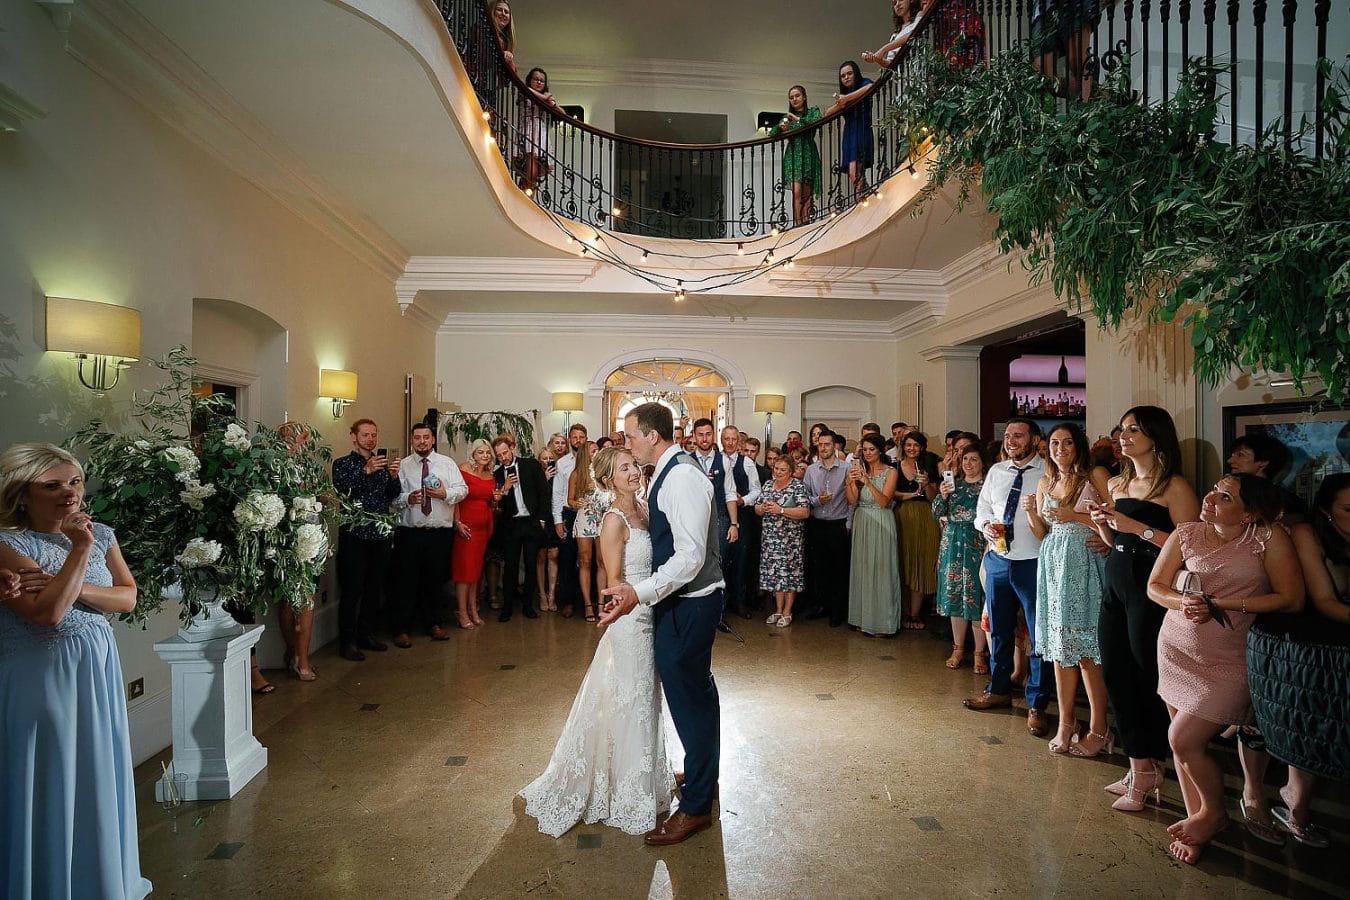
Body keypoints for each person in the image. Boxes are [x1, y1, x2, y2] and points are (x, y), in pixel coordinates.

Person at [0, 443, 152, 899]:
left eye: (75, 482)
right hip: (40, 673)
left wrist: (72, 584)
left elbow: (128, 597)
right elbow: (46, 615)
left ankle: (98, 881)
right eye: (53, 486)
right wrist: (80, 549)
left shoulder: (101, 532)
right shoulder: (8, 544)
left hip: (95, 666)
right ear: (22, 494)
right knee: (47, 776)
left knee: (94, 770)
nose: (70, 494)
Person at [1147, 474, 1304, 865]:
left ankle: (1214, 812)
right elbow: (1155, 586)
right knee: (1181, 746)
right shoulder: (1186, 533)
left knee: (1183, 740)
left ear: (1248, 512)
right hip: (1177, 649)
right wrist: (1182, 602)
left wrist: (1226, 604)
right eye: (1215, 490)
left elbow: (1291, 599)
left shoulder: (1267, 538)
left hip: (1230, 658)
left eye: (1225, 496)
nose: (1211, 498)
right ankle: (1196, 818)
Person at [520, 447, 675, 837]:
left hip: (651, 611)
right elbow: (613, 582)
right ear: (608, 480)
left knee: (643, 699)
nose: (634, 472)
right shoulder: (613, 520)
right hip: (631, 620)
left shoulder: (644, 508)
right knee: (631, 697)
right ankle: (625, 791)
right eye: (625, 469)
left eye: (635, 465)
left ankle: (641, 779)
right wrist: (626, 613)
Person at [600, 402, 723, 846]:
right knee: (693, 695)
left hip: (690, 603)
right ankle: (701, 773)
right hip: (677, 602)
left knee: (690, 699)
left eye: (630, 435)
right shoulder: (668, 474)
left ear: (652, 435)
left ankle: (695, 808)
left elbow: (690, 557)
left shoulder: (683, 477)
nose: (626, 443)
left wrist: (639, 592)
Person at [1088, 406, 1200, 812]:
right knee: (1115, 672)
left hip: (1151, 586)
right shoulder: (1118, 482)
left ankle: (1168, 764)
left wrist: (1135, 527)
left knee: (1149, 675)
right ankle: (1140, 765)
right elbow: (1111, 536)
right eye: (1122, 429)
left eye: (1134, 429)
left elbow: (1188, 547)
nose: (1125, 435)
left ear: (1155, 436)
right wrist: (1103, 522)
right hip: (1115, 579)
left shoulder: (1175, 487)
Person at [1025, 424, 1112, 755]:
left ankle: (1100, 728)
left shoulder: (1096, 475)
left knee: (1088, 650)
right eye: (1055, 443)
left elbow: (1114, 519)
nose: (1060, 448)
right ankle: (1065, 722)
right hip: (1054, 562)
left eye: (1067, 442)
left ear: (1079, 446)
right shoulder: (1046, 480)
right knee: (1061, 649)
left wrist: (1076, 516)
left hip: (1085, 561)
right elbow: (1041, 532)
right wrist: (1033, 513)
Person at [965, 418, 1051, 737]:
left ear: (1034, 439)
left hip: (1034, 560)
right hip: (998, 557)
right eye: (1008, 435)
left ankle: (1037, 704)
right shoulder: (997, 471)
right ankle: (998, 688)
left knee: (1037, 634)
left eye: (1019, 435)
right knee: (999, 629)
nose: (1011, 440)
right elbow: (982, 509)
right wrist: (985, 525)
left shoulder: (1047, 472)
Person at [391, 423, 468, 647]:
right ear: (412, 441)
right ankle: (401, 628)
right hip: (410, 532)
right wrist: (408, 499)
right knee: (405, 582)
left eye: (426, 437)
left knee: (435, 581)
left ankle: (434, 623)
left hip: (439, 533)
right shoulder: (404, 466)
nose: (422, 441)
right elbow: (393, 498)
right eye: (417, 438)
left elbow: (463, 490)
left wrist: (445, 493)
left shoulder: (447, 464)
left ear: (433, 440)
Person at [332, 418, 401, 661]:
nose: (370, 439)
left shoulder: (381, 464)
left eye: (373, 435)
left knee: (375, 587)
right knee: (352, 590)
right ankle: (347, 641)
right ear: (354, 437)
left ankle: (366, 634)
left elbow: (392, 496)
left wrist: (393, 477)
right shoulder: (342, 464)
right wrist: (365, 471)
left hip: (380, 534)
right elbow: (344, 491)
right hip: (355, 534)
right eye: (365, 435)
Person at [277, 421, 325, 680]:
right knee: (287, 599)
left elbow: (320, 496)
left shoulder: (310, 467)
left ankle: (302, 658)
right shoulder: (274, 467)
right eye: (294, 438)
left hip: (312, 536)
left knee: (307, 597)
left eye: (302, 438)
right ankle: (294, 653)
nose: (299, 443)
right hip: (286, 540)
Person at [935, 444, 988, 670]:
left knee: (976, 597)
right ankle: (958, 649)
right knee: (954, 594)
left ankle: (979, 652)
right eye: (965, 459)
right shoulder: (952, 485)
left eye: (974, 459)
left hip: (977, 543)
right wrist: (943, 494)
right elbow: (936, 512)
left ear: (983, 462)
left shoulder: (987, 486)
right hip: (952, 543)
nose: (968, 463)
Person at [846, 433, 901, 636]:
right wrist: (851, 483)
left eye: (872, 450)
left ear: (880, 451)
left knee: (882, 568)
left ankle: (883, 622)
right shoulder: (856, 470)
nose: (868, 454)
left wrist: (868, 481)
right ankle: (862, 618)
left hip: (881, 520)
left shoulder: (891, 471)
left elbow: (885, 501)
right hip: (862, 520)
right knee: (863, 568)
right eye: (865, 450)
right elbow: (852, 501)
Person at [492, 433, 550, 622]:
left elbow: (543, 492)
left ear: (512, 448)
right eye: (499, 455)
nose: (503, 457)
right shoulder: (497, 474)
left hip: (531, 522)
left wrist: (542, 518)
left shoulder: (530, 465)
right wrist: (506, 488)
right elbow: (497, 505)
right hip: (511, 525)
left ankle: (528, 605)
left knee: (532, 564)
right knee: (510, 566)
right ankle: (507, 607)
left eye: (505, 452)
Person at [805, 431, 852, 627]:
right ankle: (821, 606)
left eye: (827, 444)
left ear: (835, 446)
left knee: (839, 570)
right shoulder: (811, 470)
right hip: (817, 523)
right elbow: (804, 497)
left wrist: (849, 523)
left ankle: (837, 610)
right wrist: (817, 500)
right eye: (820, 444)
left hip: (838, 524)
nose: (823, 448)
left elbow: (852, 500)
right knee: (819, 568)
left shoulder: (847, 469)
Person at [756, 455, 811, 626]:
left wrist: (781, 510)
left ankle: (788, 611)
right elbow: (757, 508)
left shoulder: (798, 487)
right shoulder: (767, 485)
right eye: (776, 469)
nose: (778, 472)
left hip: (790, 541)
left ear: (791, 472)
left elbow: (804, 512)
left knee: (789, 575)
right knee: (775, 576)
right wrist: (763, 508)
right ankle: (778, 609)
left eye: (782, 470)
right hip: (771, 540)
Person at [896, 431, 939, 630]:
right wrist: (910, 493)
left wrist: (925, 485)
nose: (912, 449)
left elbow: (933, 497)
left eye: (916, 445)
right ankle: (903, 611)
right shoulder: (895, 466)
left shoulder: (928, 466)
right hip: (903, 515)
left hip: (925, 516)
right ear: (903, 447)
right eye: (908, 445)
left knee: (921, 562)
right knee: (904, 561)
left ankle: (915, 613)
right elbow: (891, 493)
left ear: (922, 447)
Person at [452, 439, 496, 628]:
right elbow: (455, 498)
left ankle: (473, 609)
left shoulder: (489, 474)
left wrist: (496, 501)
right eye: (481, 452)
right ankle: (461, 612)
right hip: (466, 527)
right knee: (464, 572)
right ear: (473, 453)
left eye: (487, 452)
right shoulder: (463, 470)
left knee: (476, 572)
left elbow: (489, 501)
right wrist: (457, 522)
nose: (485, 455)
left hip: (483, 528)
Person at [719, 424, 761, 619]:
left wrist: (743, 500)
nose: (730, 443)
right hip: (720, 516)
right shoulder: (715, 460)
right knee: (720, 561)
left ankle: (740, 601)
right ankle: (721, 604)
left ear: (739, 442)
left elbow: (756, 490)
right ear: (721, 440)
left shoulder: (747, 463)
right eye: (726, 439)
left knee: (741, 561)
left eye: (733, 439)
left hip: (742, 516)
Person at [568, 439, 609, 622]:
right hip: (584, 519)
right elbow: (569, 500)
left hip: (602, 520)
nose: (597, 453)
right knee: (585, 561)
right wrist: (575, 503)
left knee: (602, 562)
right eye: (594, 450)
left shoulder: (604, 473)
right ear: (586, 454)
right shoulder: (577, 474)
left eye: (598, 450)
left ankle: (601, 603)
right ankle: (587, 604)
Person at [552, 424, 587, 618]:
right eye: (574, 437)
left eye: (582, 437)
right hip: (569, 513)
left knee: (587, 560)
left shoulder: (594, 461)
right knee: (567, 558)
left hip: (590, 515)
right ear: (569, 440)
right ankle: (567, 602)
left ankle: (587, 602)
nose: (578, 441)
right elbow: (557, 494)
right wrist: (558, 520)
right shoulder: (563, 463)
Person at [826, 61, 874, 195]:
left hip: (861, 130)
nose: (846, 77)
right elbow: (827, 113)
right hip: (848, 133)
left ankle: (863, 197)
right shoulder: (843, 94)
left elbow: (870, 87)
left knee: (855, 172)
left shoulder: (863, 83)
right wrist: (841, 104)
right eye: (843, 76)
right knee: (852, 173)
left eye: (849, 73)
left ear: (856, 73)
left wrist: (847, 98)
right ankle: (863, 195)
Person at [778, 85, 822, 227]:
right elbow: (773, 133)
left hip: (809, 153)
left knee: (806, 193)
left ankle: (806, 223)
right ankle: (798, 225)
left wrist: (796, 119)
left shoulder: (812, 111)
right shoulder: (787, 118)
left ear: (804, 97)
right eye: (791, 98)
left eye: (797, 96)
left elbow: (815, 121)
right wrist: (781, 127)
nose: (794, 99)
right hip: (793, 156)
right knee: (796, 192)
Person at [517, 67, 558, 194]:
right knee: (531, 172)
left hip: (541, 133)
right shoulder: (525, 92)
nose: (539, 82)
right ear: (530, 81)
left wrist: (552, 103)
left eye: (542, 81)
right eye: (536, 79)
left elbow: (563, 113)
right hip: (529, 130)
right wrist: (546, 97)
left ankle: (526, 196)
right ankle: (524, 197)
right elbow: (528, 91)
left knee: (536, 172)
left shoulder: (545, 98)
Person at [536, 441, 562, 611]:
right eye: (544, 458)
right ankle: (541, 594)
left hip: (555, 518)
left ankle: (552, 594)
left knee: (553, 555)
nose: (547, 461)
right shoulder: (535, 475)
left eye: (550, 458)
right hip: (540, 518)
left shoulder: (560, 474)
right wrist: (544, 479)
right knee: (540, 557)